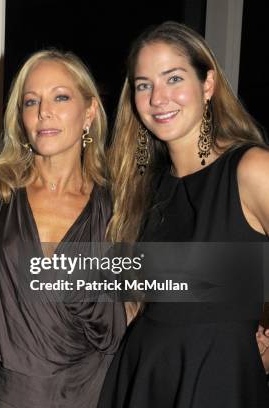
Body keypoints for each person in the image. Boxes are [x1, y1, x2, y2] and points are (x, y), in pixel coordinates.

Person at [98, 21, 269, 407]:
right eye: (144, 85)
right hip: (145, 372)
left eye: (173, 78)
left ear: (207, 84)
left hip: (219, 377)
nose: (159, 98)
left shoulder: (251, 169)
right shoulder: (143, 187)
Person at [0, 49, 126, 407]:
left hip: (93, 391)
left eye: (60, 96)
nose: (44, 112)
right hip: (5, 396)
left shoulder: (120, 206)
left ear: (89, 111)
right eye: (31, 101)